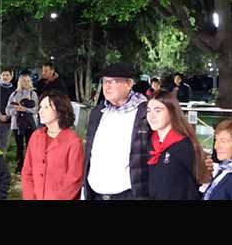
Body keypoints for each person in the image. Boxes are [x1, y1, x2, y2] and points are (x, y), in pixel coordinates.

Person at [83, 63, 150, 200]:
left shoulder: (144, 112)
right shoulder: (98, 112)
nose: (106, 87)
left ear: (129, 83)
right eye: (104, 82)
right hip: (95, 194)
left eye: (112, 82)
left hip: (128, 194)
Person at [21, 91, 84, 200]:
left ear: (60, 110)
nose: (40, 111)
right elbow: (27, 171)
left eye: (46, 107)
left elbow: (74, 179)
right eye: (40, 107)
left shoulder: (73, 141)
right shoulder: (36, 136)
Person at [145, 91, 203, 200]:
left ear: (172, 112)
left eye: (158, 111)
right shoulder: (149, 142)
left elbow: (197, 180)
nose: (151, 116)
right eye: (149, 111)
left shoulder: (183, 145)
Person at [6, 74, 39, 172]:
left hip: (30, 124)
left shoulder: (33, 94)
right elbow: (8, 110)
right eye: (23, 80)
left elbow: (36, 109)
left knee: (30, 146)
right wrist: (16, 111)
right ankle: (19, 166)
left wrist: (25, 109)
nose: (25, 83)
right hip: (17, 124)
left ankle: (30, 167)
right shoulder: (14, 94)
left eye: (27, 80)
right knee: (19, 146)